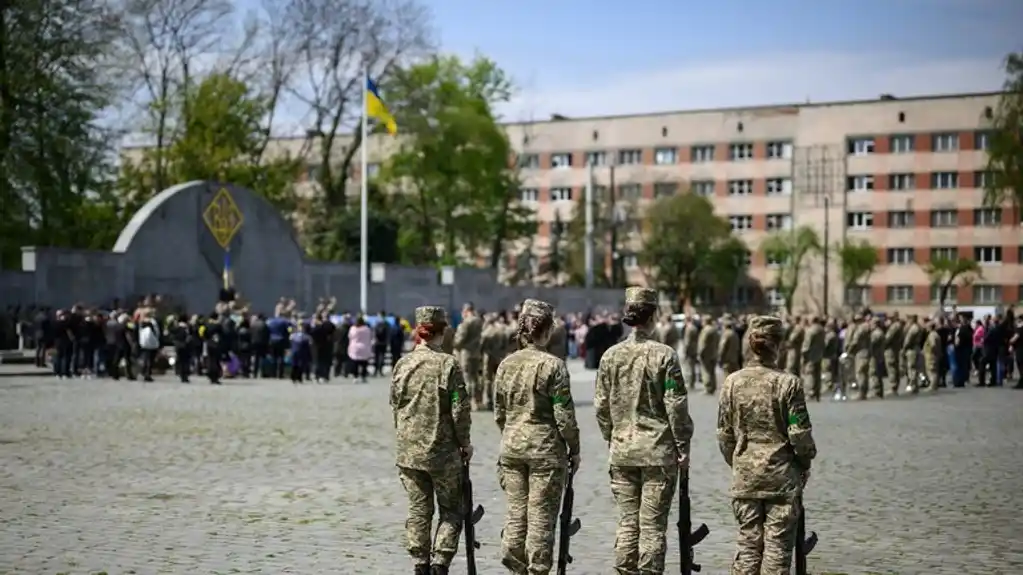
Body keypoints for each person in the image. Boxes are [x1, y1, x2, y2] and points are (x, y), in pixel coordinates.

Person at [594, 287, 693, 575]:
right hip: (657, 451)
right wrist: (682, 445)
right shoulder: (664, 355)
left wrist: (612, 436)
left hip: (623, 449)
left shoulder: (610, 356)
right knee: (651, 526)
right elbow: (676, 406)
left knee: (627, 522)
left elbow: (601, 407)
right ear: (653, 316)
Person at [717, 315, 817, 574]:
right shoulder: (788, 383)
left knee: (748, 545)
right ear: (779, 345)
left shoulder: (732, 382)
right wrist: (804, 463)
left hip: (746, 474)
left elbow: (724, 434)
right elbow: (800, 433)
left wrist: (738, 461)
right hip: (781, 475)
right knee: (777, 548)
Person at [494, 298, 581, 574]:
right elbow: (564, 415)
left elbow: (499, 412)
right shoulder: (552, 366)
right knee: (541, 517)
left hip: (512, 447)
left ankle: (512, 556)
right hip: (544, 450)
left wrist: (511, 433)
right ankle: (537, 568)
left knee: (516, 512)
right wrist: (574, 447)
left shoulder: (506, 364)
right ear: (546, 331)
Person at [390, 306, 472, 575]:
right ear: (442, 331)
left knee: (418, 510)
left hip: (410, 451)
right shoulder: (448, 364)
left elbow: (396, 405)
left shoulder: (403, 364)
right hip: (442, 451)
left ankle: (419, 564)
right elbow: (459, 408)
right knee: (450, 510)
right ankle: (440, 563)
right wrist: (465, 443)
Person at [347, 316, 373, 382]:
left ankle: (355, 377)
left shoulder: (353, 328)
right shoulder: (367, 329)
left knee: (355, 363)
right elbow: (370, 337)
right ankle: (363, 376)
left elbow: (350, 336)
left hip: (355, 348)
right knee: (364, 363)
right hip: (364, 347)